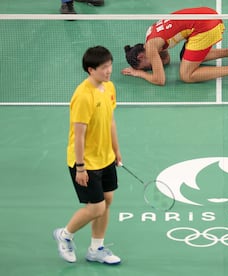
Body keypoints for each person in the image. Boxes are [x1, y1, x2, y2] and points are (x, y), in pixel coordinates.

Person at [53, 46, 122, 265]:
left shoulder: (109, 87)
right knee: (96, 207)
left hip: (105, 156)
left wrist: (116, 150)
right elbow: (79, 136)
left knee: (107, 200)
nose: (109, 70)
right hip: (86, 161)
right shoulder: (83, 96)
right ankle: (65, 235)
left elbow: (110, 120)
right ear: (91, 70)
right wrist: (80, 167)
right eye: (104, 68)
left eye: (110, 65)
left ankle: (96, 249)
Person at [122, 6, 228, 86]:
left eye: (146, 67)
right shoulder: (150, 36)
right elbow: (166, 60)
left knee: (186, 75)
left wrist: (138, 73)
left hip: (205, 27)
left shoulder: (151, 47)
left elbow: (160, 80)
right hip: (207, 15)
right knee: (185, 56)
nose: (150, 68)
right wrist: (155, 63)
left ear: (141, 55)